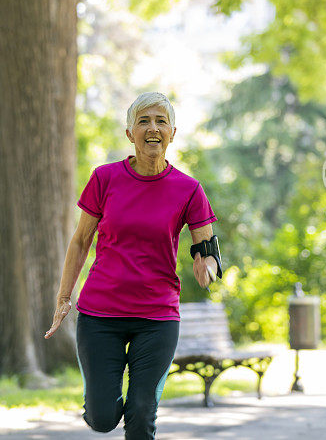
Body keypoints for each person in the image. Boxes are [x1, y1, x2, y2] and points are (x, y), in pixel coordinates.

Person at [43, 92, 219, 439]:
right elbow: (81, 241)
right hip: (100, 314)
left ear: (172, 132)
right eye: (143, 121)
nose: (152, 128)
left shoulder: (188, 189)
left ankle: (138, 405)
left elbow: (208, 248)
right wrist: (64, 297)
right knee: (103, 418)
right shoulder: (105, 179)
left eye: (160, 121)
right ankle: (98, 402)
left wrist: (207, 268)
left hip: (157, 317)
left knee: (141, 411)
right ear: (130, 133)